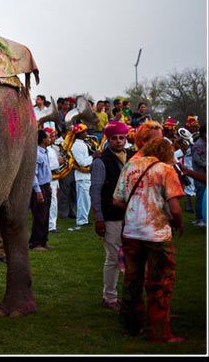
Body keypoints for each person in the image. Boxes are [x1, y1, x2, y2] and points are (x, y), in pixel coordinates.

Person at [113, 137, 185, 343]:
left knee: (131, 280)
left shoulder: (130, 166)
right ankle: (160, 332)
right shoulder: (165, 169)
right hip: (157, 234)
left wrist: (135, 208)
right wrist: (178, 223)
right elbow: (175, 208)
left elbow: (117, 200)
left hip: (132, 233)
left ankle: (130, 327)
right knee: (160, 282)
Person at [90, 121, 133, 311]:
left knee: (131, 257)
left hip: (131, 215)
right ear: (108, 139)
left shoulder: (132, 157)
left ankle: (128, 296)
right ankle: (109, 297)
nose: (118, 141)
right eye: (114, 138)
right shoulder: (101, 161)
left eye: (121, 138)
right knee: (114, 258)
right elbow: (95, 190)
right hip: (111, 215)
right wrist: (99, 217)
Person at [29, 129, 53, 251]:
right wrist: (38, 191)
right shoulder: (37, 154)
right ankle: (35, 243)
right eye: (48, 137)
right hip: (40, 187)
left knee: (46, 214)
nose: (50, 139)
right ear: (43, 139)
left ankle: (43, 241)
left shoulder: (45, 152)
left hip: (46, 185)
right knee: (40, 215)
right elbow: (34, 174)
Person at [69, 123, 95, 231]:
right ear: (79, 134)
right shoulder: (77, 146)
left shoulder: (83, 143)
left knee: (86, 199)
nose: (86, 133)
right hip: (81, 176)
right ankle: (81, 220)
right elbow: (81, 162)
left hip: (86, 175)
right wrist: (93, 156)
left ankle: (84, 219)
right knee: (83, 200)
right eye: (84, 132)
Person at [45, 127, 63, 233]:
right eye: (52, 136)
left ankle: (52, 224)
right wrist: (58, 162)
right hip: (48, 180)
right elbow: (46, 166)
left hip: (55, 179)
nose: (54, 138)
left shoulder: (51, 149)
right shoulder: (42, 150)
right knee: (51, 203)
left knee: (54, 202)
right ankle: (50, 226)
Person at [191, 123, 206, 226]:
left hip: (206, 174)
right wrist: (205, 164)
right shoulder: (198, 144)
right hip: (199, 174)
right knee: (200, 195)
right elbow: (196, 159)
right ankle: (199, 218)